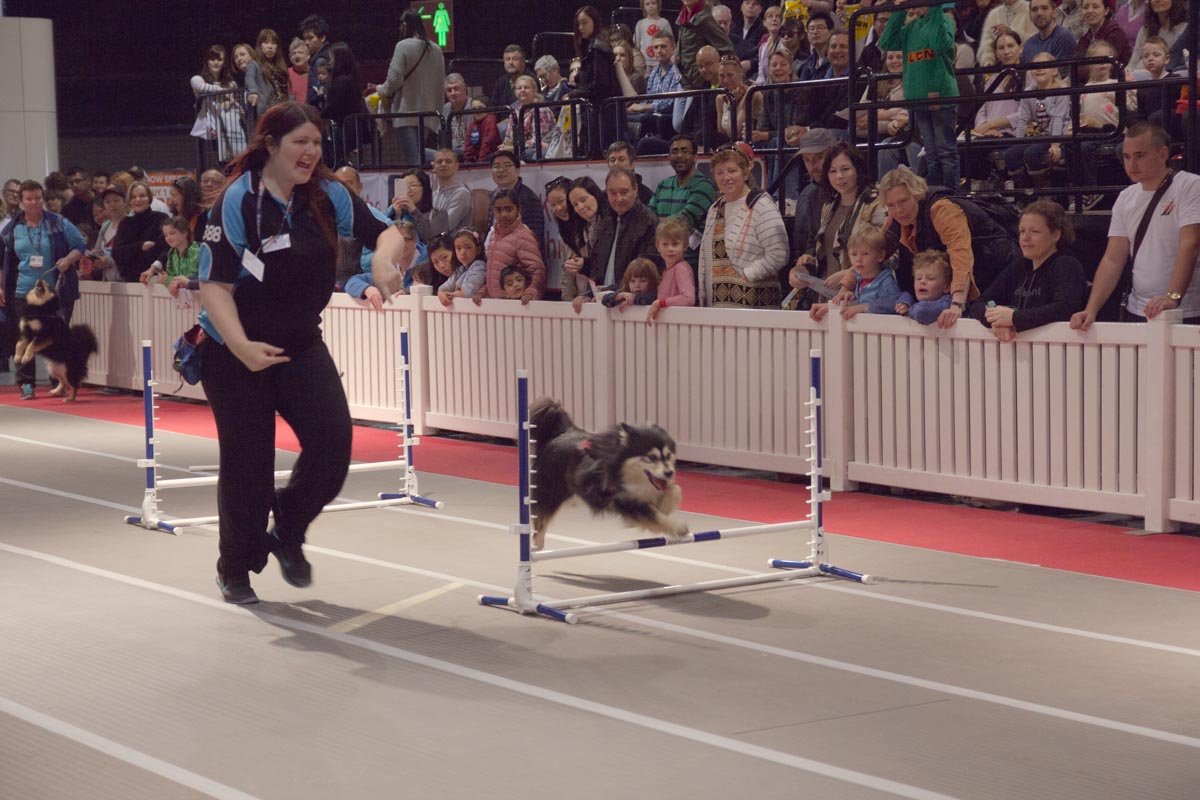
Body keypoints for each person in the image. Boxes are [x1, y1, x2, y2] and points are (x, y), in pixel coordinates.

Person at [196, 102, 406, 604]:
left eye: (316, 142)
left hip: (300, 344)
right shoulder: (236, 201)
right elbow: (215, 287)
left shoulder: (329, 194)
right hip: (234, 351)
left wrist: (382, 262)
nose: (311, 152)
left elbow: (390, 230)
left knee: (334, 444)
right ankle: (236, 567)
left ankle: (287, 529)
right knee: (248, 464)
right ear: (270, 145)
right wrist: (242, 346)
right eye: (300, 142)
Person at [840, 166, 1021, 327]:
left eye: (903, 201)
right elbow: (874, 249)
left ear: (916, 194)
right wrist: (846, 286)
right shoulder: (897, 217)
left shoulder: (942, 209)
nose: (898, 210)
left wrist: (956, 304)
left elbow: (961, 255)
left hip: (998, 268)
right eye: (891, 205)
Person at [1071, 122, 1200, 328]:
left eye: (1140, 155)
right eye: (1126, 157)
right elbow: (1113, 259)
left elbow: (1190, 244)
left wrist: (1172, 296)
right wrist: (1091, 309)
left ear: (1163, 154)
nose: (1132, 164)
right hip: (1138, 310)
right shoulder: (1125, 198)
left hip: (1187, 310)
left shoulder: (1190, 186)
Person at [0, 179, 87, 399]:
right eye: (29, 199)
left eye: (38, 198)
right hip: (24, 292)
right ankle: (26, 384)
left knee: (56, 339)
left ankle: (58, 380)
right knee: (24, 337)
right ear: (21, 201)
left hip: (55, 292)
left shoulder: (58, 222)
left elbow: (80, 245)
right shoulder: (12, 229)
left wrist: (68, 260)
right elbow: (5, 260)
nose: (34, 202)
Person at [971, 200, 1087, 340]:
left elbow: (1064, 308)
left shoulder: (1066, 265)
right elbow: (981, 302)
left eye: (1035, 232)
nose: (1025, 238)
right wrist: (995, 320)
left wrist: (1014, 318)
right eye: (1022, 231)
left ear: (1055, 235)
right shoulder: (1019, 265)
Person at [790, 142, 886, 303]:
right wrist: (804, 267)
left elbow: (887, 254)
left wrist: (850, 273)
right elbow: (826, 254)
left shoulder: (875, 202)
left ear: (857, 169)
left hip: (863, 295)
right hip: (828, 295)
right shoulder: (829, 205)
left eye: (845, 169)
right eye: (833, 171)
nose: (839, 176)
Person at [881, 4, 961, 193]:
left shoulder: (944, 20)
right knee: (931, 153)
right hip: (917, 98)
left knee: (946, 152)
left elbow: (940, 44)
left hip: (941, 95)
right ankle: (935, 195)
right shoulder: (911, 27)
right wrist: (900, 10)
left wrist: (934, 9)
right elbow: (886, 42)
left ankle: (952, 195)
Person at [699, 144, 789, 308]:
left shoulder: (761, 205)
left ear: (746, 173)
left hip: (755, 311)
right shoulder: (715, 209)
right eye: (720, 172)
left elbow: (779, 254)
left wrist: (748, 275)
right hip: (719, 311)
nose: (726, 177)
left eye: (732, 171)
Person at [374, 9, 446, 168]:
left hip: (406, 111)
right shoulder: (436, 49)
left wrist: (381, 89)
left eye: (401, 25)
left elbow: (394, 79)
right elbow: (441, 82)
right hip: (429, 113)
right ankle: (445, 158)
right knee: (418, 153)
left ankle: (445, 159)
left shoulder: (403, 46)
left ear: (406, 24)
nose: (400, 29)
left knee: (413, 158)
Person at [649, 133, 717, 274]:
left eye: (685, 151)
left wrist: (661, 223)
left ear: (695, 156)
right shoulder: (663, 185)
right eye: (675, 151)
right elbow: (649, 220)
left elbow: (683, 222)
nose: (679, 155)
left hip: (691, 266)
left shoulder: (704, 185)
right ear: (669, 157)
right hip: (662, 265)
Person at [587, 168, 661, 297]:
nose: (618, 198)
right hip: (604, 300)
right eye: (612, 193)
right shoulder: (606, 222)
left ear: (635, 189)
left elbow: (645, 270)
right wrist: (589, 294)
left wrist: (614, 292)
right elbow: (596, 266)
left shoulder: (649, 222)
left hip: (632, 301)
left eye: (624, 192)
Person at [809, 224, 901, 321]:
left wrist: (862, 307)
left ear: (881, 255)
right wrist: (850, 299)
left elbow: (892, 306)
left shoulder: (886, 282)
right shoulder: (859, 280)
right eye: (854, 254)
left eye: (865, 254)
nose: (858, 259)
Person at [476, 189, 545, 304]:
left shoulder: (523, 236)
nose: (503, 215)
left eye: (509, 209)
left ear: (518, 209)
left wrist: (530, 293)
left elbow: (538, 271)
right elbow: (494, 274)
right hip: (496, 305)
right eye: (498, 210)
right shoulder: (493, 235)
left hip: (518, 306)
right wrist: (483, 291)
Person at [568, 6, 619, 154]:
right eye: (578, 24)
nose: (581, 27)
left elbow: (600, 84)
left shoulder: (598, 48)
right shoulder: (590, 46)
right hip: (595, 110)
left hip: (601, 113)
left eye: (585, 22)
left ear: (594, 22)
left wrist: (575, 93)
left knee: (595, 152)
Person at [191, 45, 246, 164]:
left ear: (224, 63)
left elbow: (236, 105)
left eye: (219, 59)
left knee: (231, 168)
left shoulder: (231, 83)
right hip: (208, 134)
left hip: (230, 132)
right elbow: (201, 87)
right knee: (211, 170)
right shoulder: (197, 79)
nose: (216, 62)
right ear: (207, 61)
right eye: (212, 59)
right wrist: (225, 92)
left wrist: (234, 104)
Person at [791, 128, 836, 264]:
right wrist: (807, 257)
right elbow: (811, 241)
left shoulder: (852, 192)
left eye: (819, 158)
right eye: (806, 160)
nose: (812, 166)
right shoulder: (811, 195)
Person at [561, 176, 611, 300]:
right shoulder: (585, 227)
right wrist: (583, 264)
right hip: (597, 293)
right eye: (575, 205)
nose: (580, 207)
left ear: (595, 195)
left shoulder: (612, 221)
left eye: (583, 200)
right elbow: (596, 265)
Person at [487, 150, 545, 254]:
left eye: (507, 165)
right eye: (496, 166)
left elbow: (534, 237)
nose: (501, 170)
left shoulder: (528, 198)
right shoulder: (493, 196)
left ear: (517, 170)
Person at [111, 182, 167, 283]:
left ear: (149, 198)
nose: (137, 200)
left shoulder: (161, 219)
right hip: (131, 281)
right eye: (133, 197)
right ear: (129, 201)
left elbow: (165, 248)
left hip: (155, 278)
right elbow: (117, 253)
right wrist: (140, 247)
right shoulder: (125, 223)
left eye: (142, 196)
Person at [647, 215, 698, 322]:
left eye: (675, 244)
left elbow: (689, 298)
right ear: (658, 246)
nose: (670, 249)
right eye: (665, 244)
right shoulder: (665, 270)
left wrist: (660, 303)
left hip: (680, 325)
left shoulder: (681, 268)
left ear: (685, 246)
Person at [141, 215, 200, 299]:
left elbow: (194, 277)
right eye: (165, 235)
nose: (168, 238)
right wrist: (168, 280)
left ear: (184, 233)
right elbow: (172, 278)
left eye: (172, 233)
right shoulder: (171, 253)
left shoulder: (197, 250)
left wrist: (168, 280)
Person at [893, 249, 954, 324]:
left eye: (930, 278)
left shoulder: (947, 302)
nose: (922, 281)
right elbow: (879, 305)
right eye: (918, 278)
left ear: (947, 287)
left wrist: (908, 311)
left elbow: (921, 311)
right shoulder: (917, 301)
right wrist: (905, 302)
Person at [504, 75, 557, 161]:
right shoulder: (514, 112)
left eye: (526, 87)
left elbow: (539, 140)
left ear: (534, 91)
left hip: (541, 148)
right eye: (519, 88)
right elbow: (508, 137)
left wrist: (514, 148)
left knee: (524, 155)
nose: (522, 90)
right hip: (519, 148)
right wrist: (505, 146)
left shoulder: (541, 110)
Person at [1074, 0, 1132, 77]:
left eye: (1095, 7)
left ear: (1106, 11)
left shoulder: (1116, 33)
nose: (1090, 11)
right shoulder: (1084, 39)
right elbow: (1075, 67)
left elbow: (1105, 67)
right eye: (1085, 7)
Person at [715, 55, 763, 144]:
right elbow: (722, 133)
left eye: (730, 75)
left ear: (740, 74)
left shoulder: (752, 93)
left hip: (752, 144)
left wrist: (733, 103)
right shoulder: (720, 99)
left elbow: (738, 132)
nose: (725, 80)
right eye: (722, 76)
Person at [391, 170, 448, 243]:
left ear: (424, 188)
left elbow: (433, 241)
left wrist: (414, 211)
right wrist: (397, 216)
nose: (408, 190)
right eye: (404, 186)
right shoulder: (393, 214)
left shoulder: (439, 215)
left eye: (412, 185)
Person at [1129, 0, 1188, 72]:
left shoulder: (1184, 29)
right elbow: (1133, 62)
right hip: (1136, 78)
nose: (1157, 0)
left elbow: (1173, 63)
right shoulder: (1145, 30)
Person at [976, 0, 1036, 66]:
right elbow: (986, 46)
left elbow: (1036, 41)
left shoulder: (1032, 9)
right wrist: (988, 63)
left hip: (1027, 66)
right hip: (998, 67)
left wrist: (1012, 31)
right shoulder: (993, 14)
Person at [437, 229, 488, 303]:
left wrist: (452, 295)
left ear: (478, 249)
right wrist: (441, 292)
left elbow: (471, 290)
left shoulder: (479, 266)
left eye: (468, 247)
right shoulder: (460, 269)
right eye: (458, 248)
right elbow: (446, 285)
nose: (463, 252)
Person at [431, 148, 472, 233]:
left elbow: (442, 227)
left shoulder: (462, 193)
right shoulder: (433, 194)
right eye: (439, 161)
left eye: (448, 161)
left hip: (453, 244)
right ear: (433, 166)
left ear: (456, 166)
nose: (443, 164)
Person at [490, 45, 536, 110]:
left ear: (523, 61)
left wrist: (507, 120)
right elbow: (493, 107)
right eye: (507, 59)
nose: (511, 63)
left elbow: (526, 107)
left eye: (515, 59)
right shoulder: (501, 82)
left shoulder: (531, 80)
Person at [300, 15, 333, 107]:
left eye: (310, 38)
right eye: (305, 39)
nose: (306, 43)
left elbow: (317, 93)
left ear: (322, 37)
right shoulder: (329, 54)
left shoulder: (320, 61)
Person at [256, 29, 291, 109]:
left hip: (281, 110)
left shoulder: (281, 68)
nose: (270, 46)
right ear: (260, 45)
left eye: (273, 43)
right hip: (265, 113)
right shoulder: (256, 68)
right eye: (266, 42)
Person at [443, 73, 471, 156]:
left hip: (467, 152)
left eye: (456, 89)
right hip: (448, 152)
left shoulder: (473, 107)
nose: (453, 93)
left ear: (465, 89)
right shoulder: (445, 109)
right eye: (449, 90)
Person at [287, 38, 310, 102]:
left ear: (308, 55)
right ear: (290, 57)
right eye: (294, 53)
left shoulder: (316, 73)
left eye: (300, 52)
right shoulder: (286, 74)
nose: (297, 56)